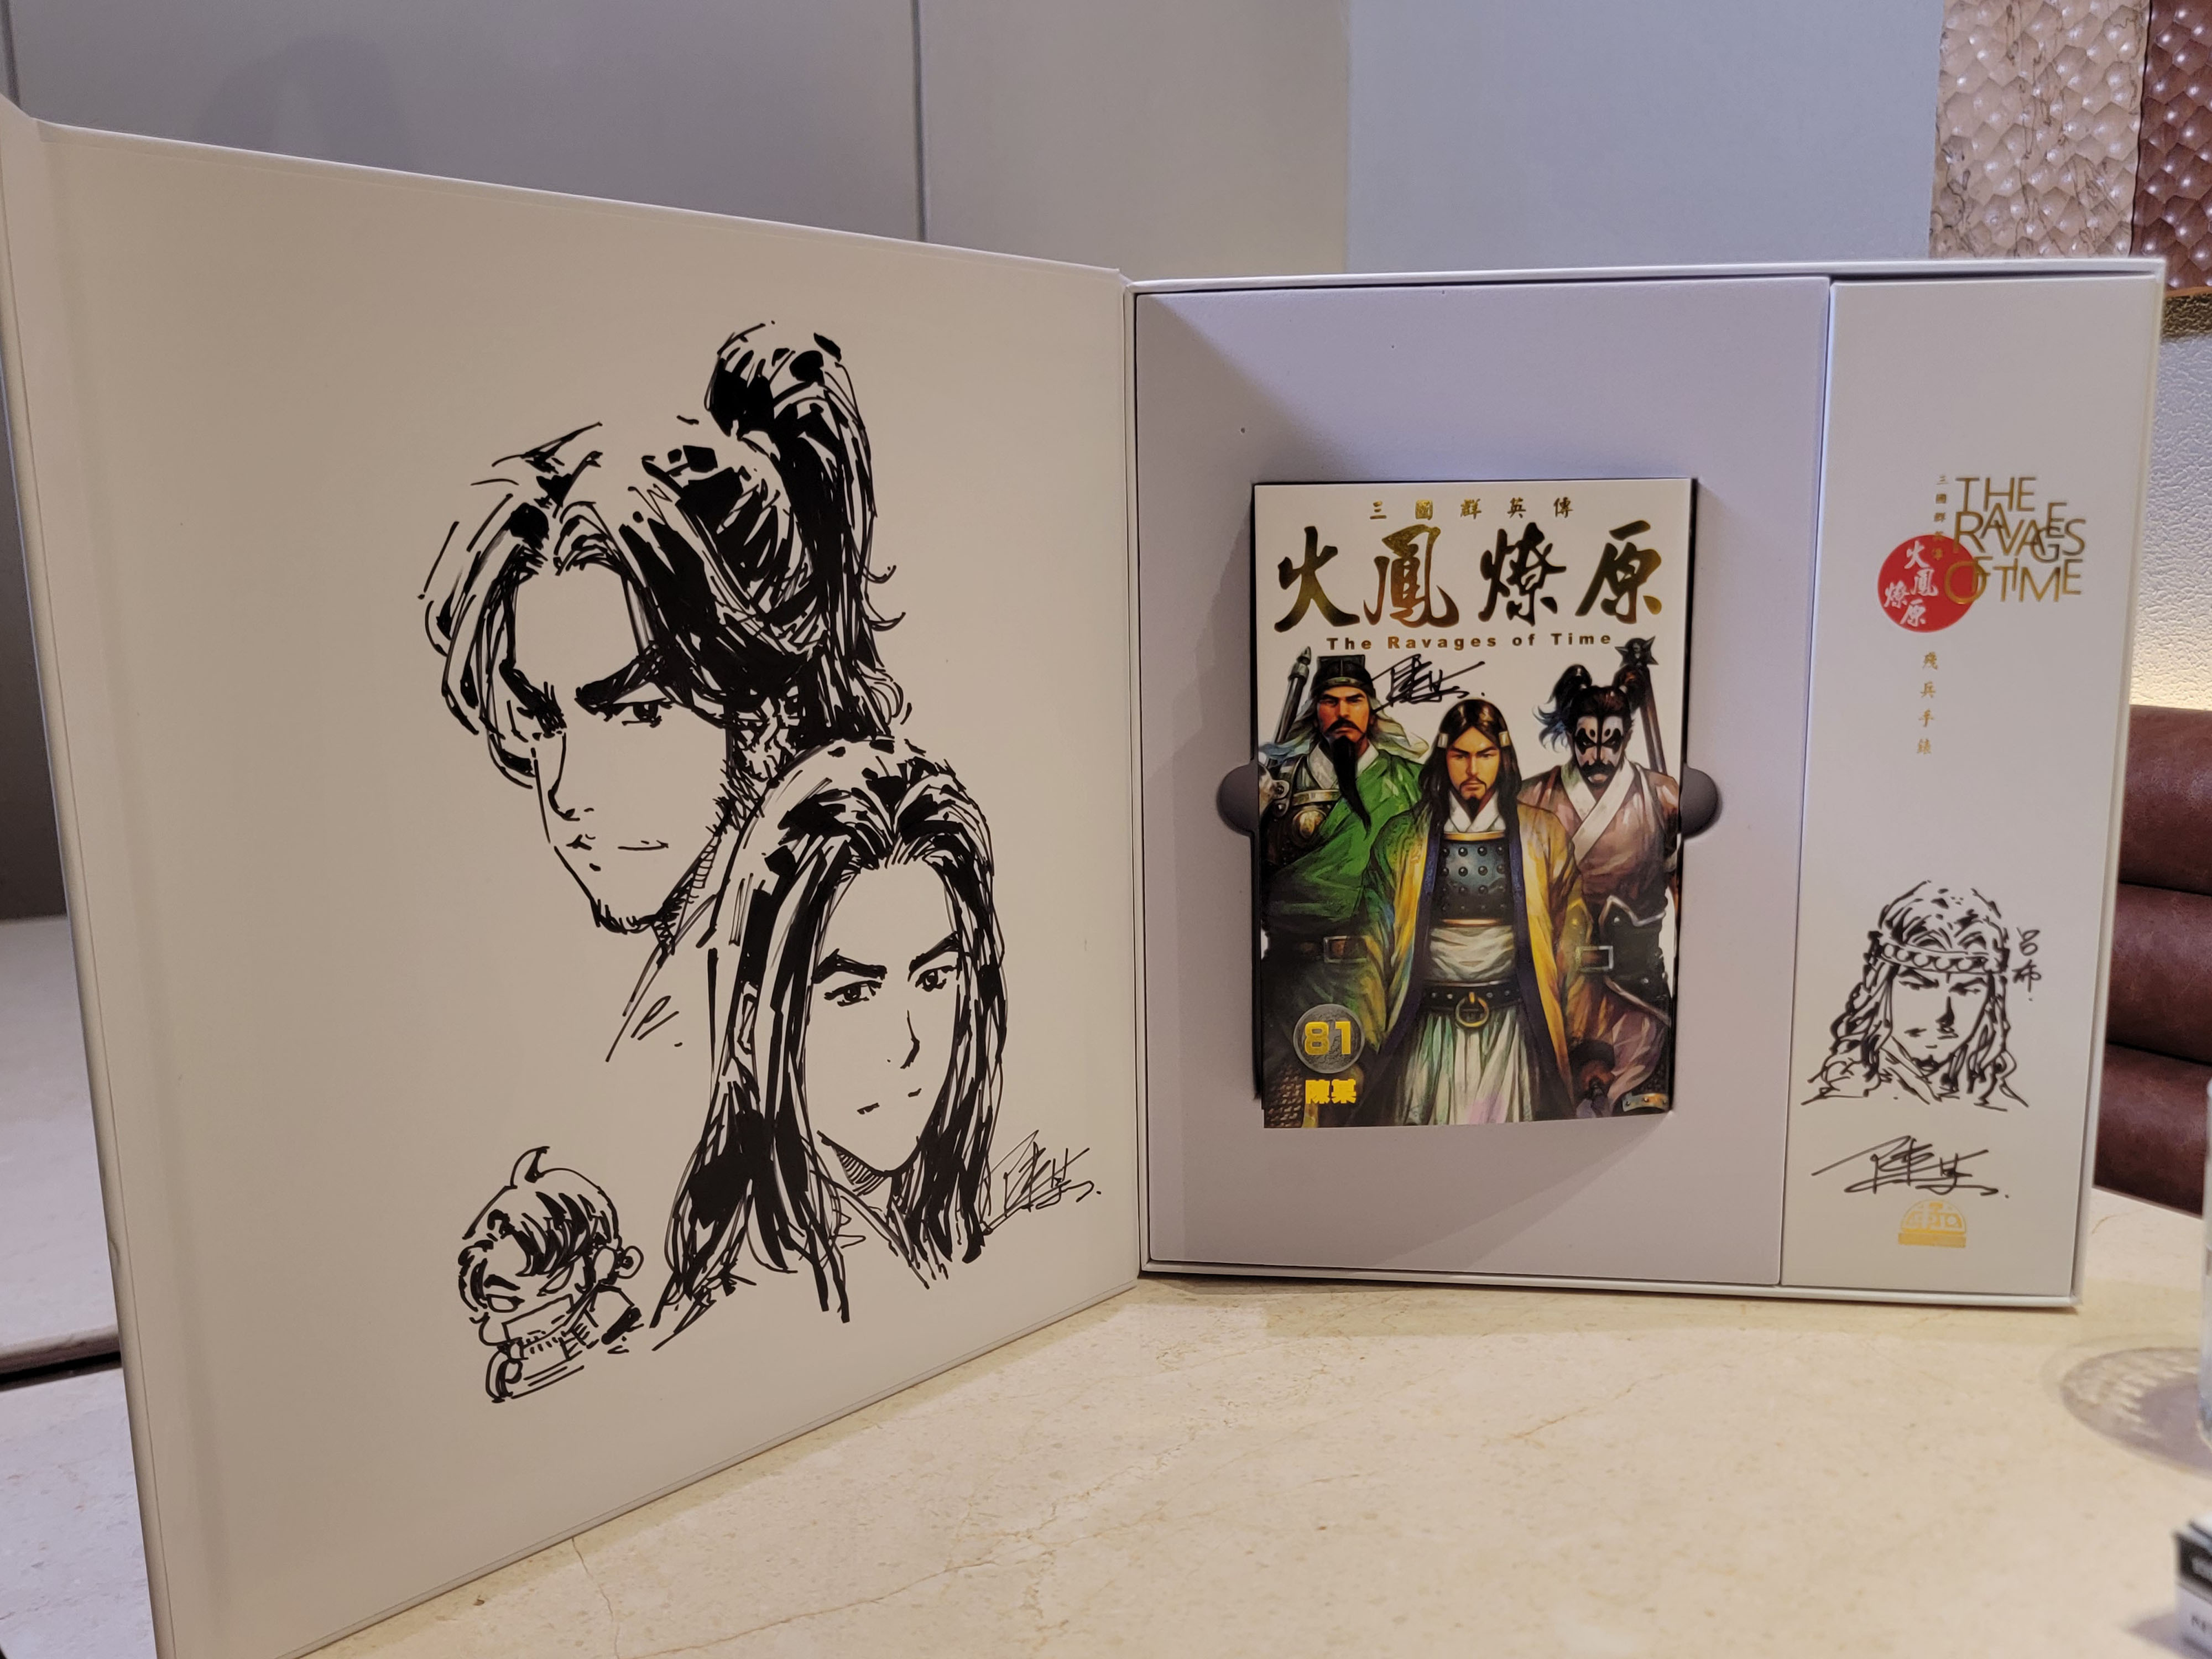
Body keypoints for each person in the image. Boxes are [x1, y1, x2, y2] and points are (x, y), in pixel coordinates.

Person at [422, 324, 904, 1050]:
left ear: (760, 709)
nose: (566, 793)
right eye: (544, 720)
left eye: (636, 712)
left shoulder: (805, 977)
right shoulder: (699, 968)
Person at [655, 739, 1005, 1331]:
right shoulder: (754, 1293)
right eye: (854, 993)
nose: (906, 1045)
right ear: (751, 1025)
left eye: (933, 979)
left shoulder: (932, 1222)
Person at [1344, 698, 1593, 1126]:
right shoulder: (1403, 838)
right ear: (1444, 758)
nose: (1473, 769)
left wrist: (1586, 1045)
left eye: (1485, 755)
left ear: (1503, 758)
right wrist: (1363, 1047)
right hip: (1426, 1033)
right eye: (1461, 756)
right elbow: (1370, 948)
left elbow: (1573, 943)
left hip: (1515, 1033)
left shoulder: (1543, 834)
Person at [1254, 655, 1423, 1125]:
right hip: (1291, 975)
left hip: (1377, 974)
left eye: (1355, 700)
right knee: (1291, 1108)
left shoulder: (1410, 782)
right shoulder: (1283, 783)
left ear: (1372, 709)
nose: (1343, 711)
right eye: (1330, 701)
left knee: (1376, 1108)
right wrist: (1258, 812)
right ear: (1316, 711)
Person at [1519, 641, 1681, 1113]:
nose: (1598, 756)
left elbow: (1684, 889)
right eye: (1586, 741)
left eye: (1611, 742)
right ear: (1571, 736)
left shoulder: (1662, 798)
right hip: (1558, 988)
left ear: (1626, 738)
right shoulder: (1532, 798)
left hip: (1638, 990)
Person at [1807, 881, 2026, 1110]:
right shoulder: (1838, 1098)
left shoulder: (2006, 1107)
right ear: (1882, 988)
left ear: (1991, 1001)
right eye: (1919, 986)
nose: (1944, 1015)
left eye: (1967, 991)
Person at [456, 1147, 645, 1401]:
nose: (491, 1332)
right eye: (489, 1306)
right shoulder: (510, 1369)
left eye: (508, 1302)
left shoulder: (623, 1341)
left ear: (598, 1265)